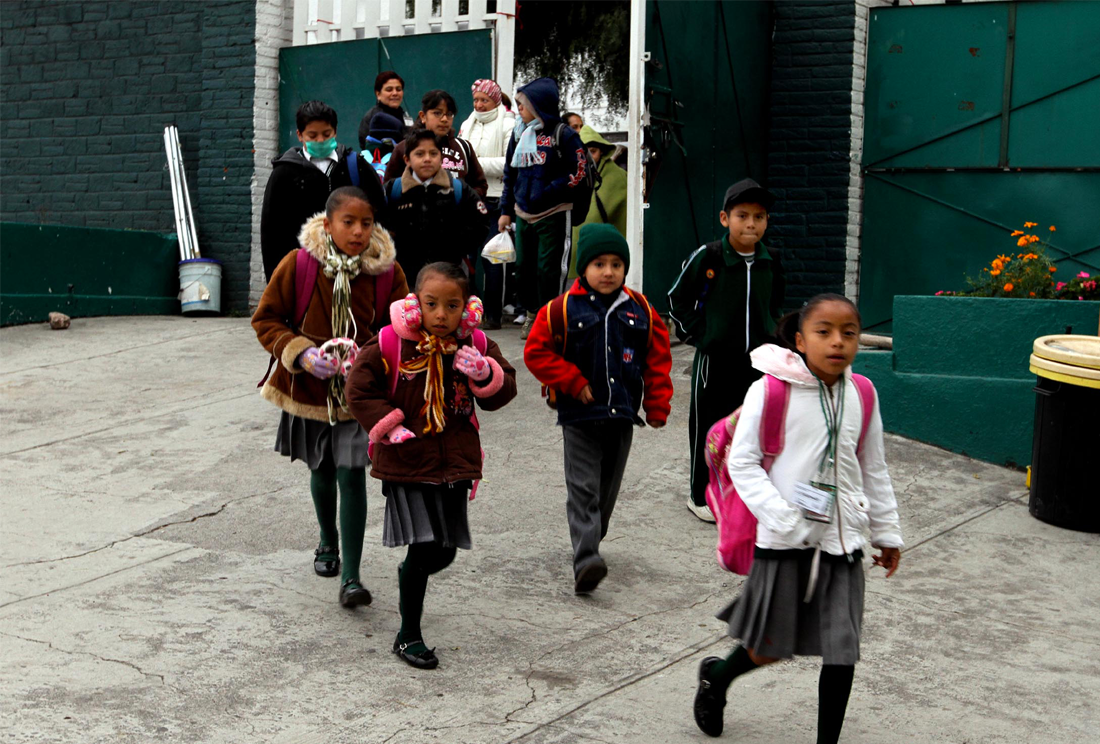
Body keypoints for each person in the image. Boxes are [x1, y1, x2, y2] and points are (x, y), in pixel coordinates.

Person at [691, 293, 903, 742]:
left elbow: (873, 465)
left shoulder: (863, 392)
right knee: (768, 648)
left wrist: (886, 532)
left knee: (842, 650)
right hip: (784, 540)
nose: (838, 342)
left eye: (849, 333)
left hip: (843, 542)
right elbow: (743, 464)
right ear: (801, 340)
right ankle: (718, 677)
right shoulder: (769, 390)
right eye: (824, 332)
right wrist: (782, 517)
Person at [345, 262, 518, 669]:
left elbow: (503, 389)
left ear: (467, 306)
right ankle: (408, 636)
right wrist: (388, 426)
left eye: (452, 305)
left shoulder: (474, 341)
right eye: (432, 304)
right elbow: (358, 387)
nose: (441, 314)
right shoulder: (392, 341)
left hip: (455, 463)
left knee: (446, 551)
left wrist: (485, 373)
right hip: (406, 461)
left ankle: (412, 572)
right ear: (416, 303)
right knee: (424, 548)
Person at [252, 186, 409, 607]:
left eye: (367, 223)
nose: (358, 232)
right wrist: (300, 352)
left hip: (362, 392)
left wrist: (371, 356)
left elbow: (402, 330)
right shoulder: (299, 265)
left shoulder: (387, 272)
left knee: (351, 471)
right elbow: (266, 319)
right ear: (328, 224)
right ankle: (327, 541)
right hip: (309, 389)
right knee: (321, 470)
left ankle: (352, 578)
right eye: (349, 222)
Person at [524, 224, 673, 593]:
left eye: (616, 264)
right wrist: (573, 381)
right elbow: (536, 353)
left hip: (621, 414)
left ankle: (592, 537)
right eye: (599, 264)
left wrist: (657, 404)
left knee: (607, 490)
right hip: (578, 416)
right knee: (584, 488)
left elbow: (657, 359)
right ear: (583, 268)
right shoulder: (559, 310)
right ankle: (586, 557)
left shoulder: (641, 311)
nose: (608, 272)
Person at [667, 178, 785, 522]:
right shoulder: (710, 256)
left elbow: (776, 306)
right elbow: (677, 298)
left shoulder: (771, 260)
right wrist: (702, 336)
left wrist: (776, 340)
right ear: (725, 219)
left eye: (759, 217)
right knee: (708, 428)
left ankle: (743, 494)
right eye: (743, 215)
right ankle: (699, 495)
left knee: (751, 429)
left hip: (758, 364)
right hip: (715, 362)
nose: (751, 224)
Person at [498, 77, 589, 339]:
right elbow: (510, 173)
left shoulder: (564, 135)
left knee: (548, 270)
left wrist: (549, 192)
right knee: (523, 268)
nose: (519, 110)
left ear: (539, 106)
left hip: (554, 213)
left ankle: (551, 318)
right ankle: (530, 315)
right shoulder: (519, 134)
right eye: (516, 104)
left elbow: (578, 171)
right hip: (523, 213)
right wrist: (506, 209)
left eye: (523, 105)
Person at [260, 100, 387, 282]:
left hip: (354, 273)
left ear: (335, 131)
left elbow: (380, 215)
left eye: (326, 134)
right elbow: (272, 233)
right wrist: (277, 281)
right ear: (299, 135)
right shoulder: (284, 173)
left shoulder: (355, 166)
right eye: (312, 135)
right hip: (302, 276)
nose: (320, 140)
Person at [381, 130, 488, 285]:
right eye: (419, 154)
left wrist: (455, 248)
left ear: (441, 158)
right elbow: (376, 223)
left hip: (449, 275)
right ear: (407, 159)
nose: (427, 159)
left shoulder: (458, 190)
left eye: (433, 154)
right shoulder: (393, 190)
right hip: (403, 277)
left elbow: (481, 224)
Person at [458, 78, 516, 330]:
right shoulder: (466, 124)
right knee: (468, 258)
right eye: (476, 100)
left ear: (495, 100)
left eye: (485, 100)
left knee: (493, 259)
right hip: (470, 198)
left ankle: (493, 313)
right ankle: (471, 311)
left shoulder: (508, 123)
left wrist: (476, 163)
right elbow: (459, 159)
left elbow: (509, 162)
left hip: (497, 198)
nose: (479, 105)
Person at [384, 90, 489, 198]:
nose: (444, 119)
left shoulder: (464, 147)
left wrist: (464, 202)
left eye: (449, 114)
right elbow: (389, 189)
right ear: (423, 116)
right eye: (437, 113)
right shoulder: (404, 148)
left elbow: (480, 185)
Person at [567, 125, 628, 278]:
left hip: (607, 255)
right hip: (574, 255)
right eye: (583, 152)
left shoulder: (617, 177)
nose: (588, 156)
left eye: (592, 151)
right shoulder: (571, 175)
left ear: (602, 151)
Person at [358, 70, 412, 150]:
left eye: (398, 89)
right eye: (389, 89)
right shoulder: (373, 117)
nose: (395, 93)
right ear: (378, 94)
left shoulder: (404, 115)